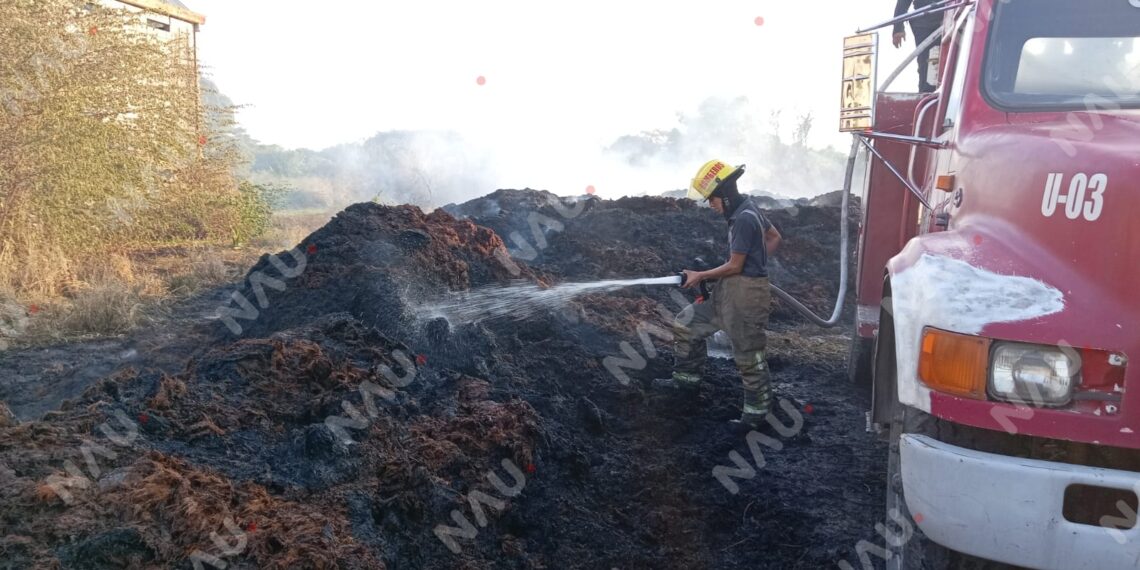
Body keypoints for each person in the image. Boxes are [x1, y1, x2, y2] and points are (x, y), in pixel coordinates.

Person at [654, 160, 782, 430]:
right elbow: (774, 237)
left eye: (711, 199)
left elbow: (735, 265)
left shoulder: (744, 218)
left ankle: (756, 417)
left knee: (748, 355)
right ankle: (685, 384)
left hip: (746, 296)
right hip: (728, 290)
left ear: (724, 194)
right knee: (687, 323)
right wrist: (756, 260)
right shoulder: (746, 209)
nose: (710, 205)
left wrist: (700, 275)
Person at [893, 0, 942, 93]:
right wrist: (898, 28)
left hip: (951, 16)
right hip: (924, 23)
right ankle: (926, 93)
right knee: (926, 63)